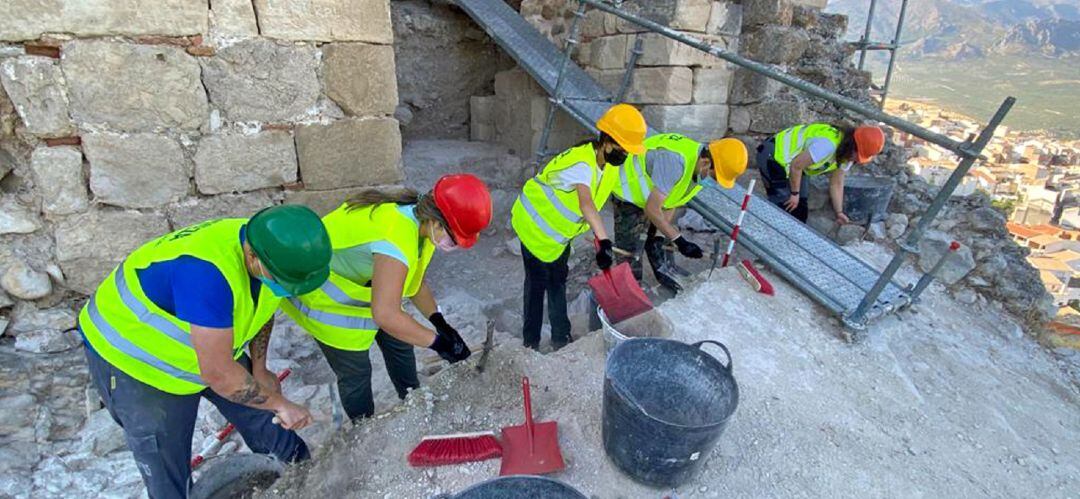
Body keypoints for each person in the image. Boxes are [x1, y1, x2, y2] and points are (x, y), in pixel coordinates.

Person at [78, 205, 332, 499]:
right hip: (135, 360)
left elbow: (262, 307)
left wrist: (260, 370)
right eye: (284, 281)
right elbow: (220, 375)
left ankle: (300, 483)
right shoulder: (205, 274)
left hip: (212, 340)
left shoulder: (268, 247)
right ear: (253, 257)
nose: (288, 289)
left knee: (277, 436)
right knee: (167, 473)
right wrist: (279, 404)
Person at [281, 174, 492, 421]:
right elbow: (385, 314)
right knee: (356, 373)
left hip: (365, 289)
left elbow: (415, 283)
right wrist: (440, 345)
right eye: (454, 239)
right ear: (437, 222)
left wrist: (440, 323)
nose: (453, 245)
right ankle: (364, 427)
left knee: (401, 344)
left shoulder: (421, 225)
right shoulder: (396, 237)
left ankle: (413, 399)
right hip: (326, 300)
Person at [511, 103, 647, 351]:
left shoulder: (609, 165)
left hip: (557, 236)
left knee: (558, 280)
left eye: (628, 151)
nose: (624, 154)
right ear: (606, 140)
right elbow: (587, 204)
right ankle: (529, 343)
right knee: (537, 284)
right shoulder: (581, 164)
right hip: (533, 227)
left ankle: (560, 336)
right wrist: (604, 241)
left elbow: (606, 193)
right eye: (621, 148)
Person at [611, 133, 748, 291]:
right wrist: (680, 240)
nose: (714, 182)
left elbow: (672, 200)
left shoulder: (697, 169)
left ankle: (663, 270)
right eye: (715, 177)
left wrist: (661, 235)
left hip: (652, 194)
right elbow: (652, 209)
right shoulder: (675, 162)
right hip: (627, 190)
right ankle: (630, 289)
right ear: (706, 162)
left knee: (658, 239)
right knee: (630, 248)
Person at [757, 123, 885, 223]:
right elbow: (796, 166)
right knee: (783, 209)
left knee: (800, 211)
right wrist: (794, 193)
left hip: (795, 164)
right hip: (774, 155)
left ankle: (788, 248)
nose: (858, 160)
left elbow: (837, 183)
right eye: (860, 155)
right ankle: (768, 248)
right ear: (853, 146)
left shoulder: (847, 155)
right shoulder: (827, 144)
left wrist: (839, 212)